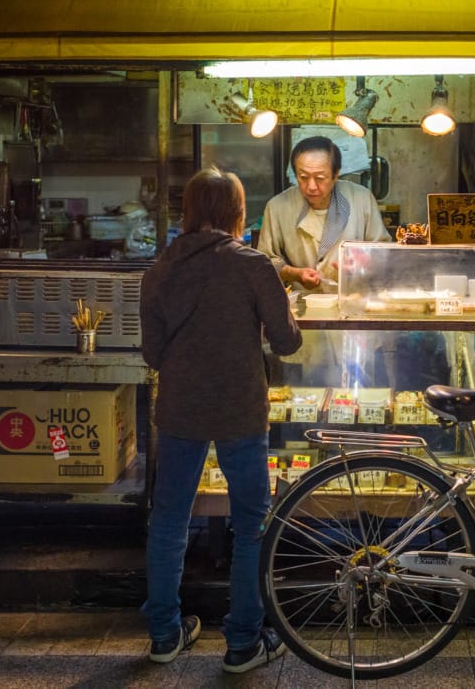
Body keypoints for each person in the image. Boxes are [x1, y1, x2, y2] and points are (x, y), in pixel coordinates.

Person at [139, 167, 301, 673]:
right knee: (251, 521)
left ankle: (165, 635)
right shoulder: (252, 266)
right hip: (239, 408)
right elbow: (289, 342)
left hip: (180, 408)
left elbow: (151, 353)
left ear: (188, 211)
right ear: (237, 213)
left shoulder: (160, 268)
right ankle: (244, 643)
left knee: (169, 519)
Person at [258, 135, 390, 290]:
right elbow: (264, 262)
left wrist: (363, 262)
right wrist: (294, 274)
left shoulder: (361, 198)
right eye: (303, 177)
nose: (311, 186)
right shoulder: (277, 207)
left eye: (320, 178)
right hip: (303, 305)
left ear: (335, 175)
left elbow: (383, 252)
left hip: (353, 300)